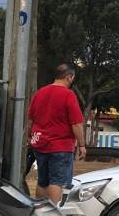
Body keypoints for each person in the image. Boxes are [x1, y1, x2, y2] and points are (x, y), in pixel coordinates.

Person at [28, 64, 86, 203]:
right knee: (57, 182)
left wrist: (32, 136)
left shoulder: (40, 92)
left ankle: (39, 212)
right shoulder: (68, 94)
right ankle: (52, 214)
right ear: (69, 77)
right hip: (61, 146)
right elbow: (76, 124)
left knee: (42, 181)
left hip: (40, 144)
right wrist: (82, 144)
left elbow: (30, 119)